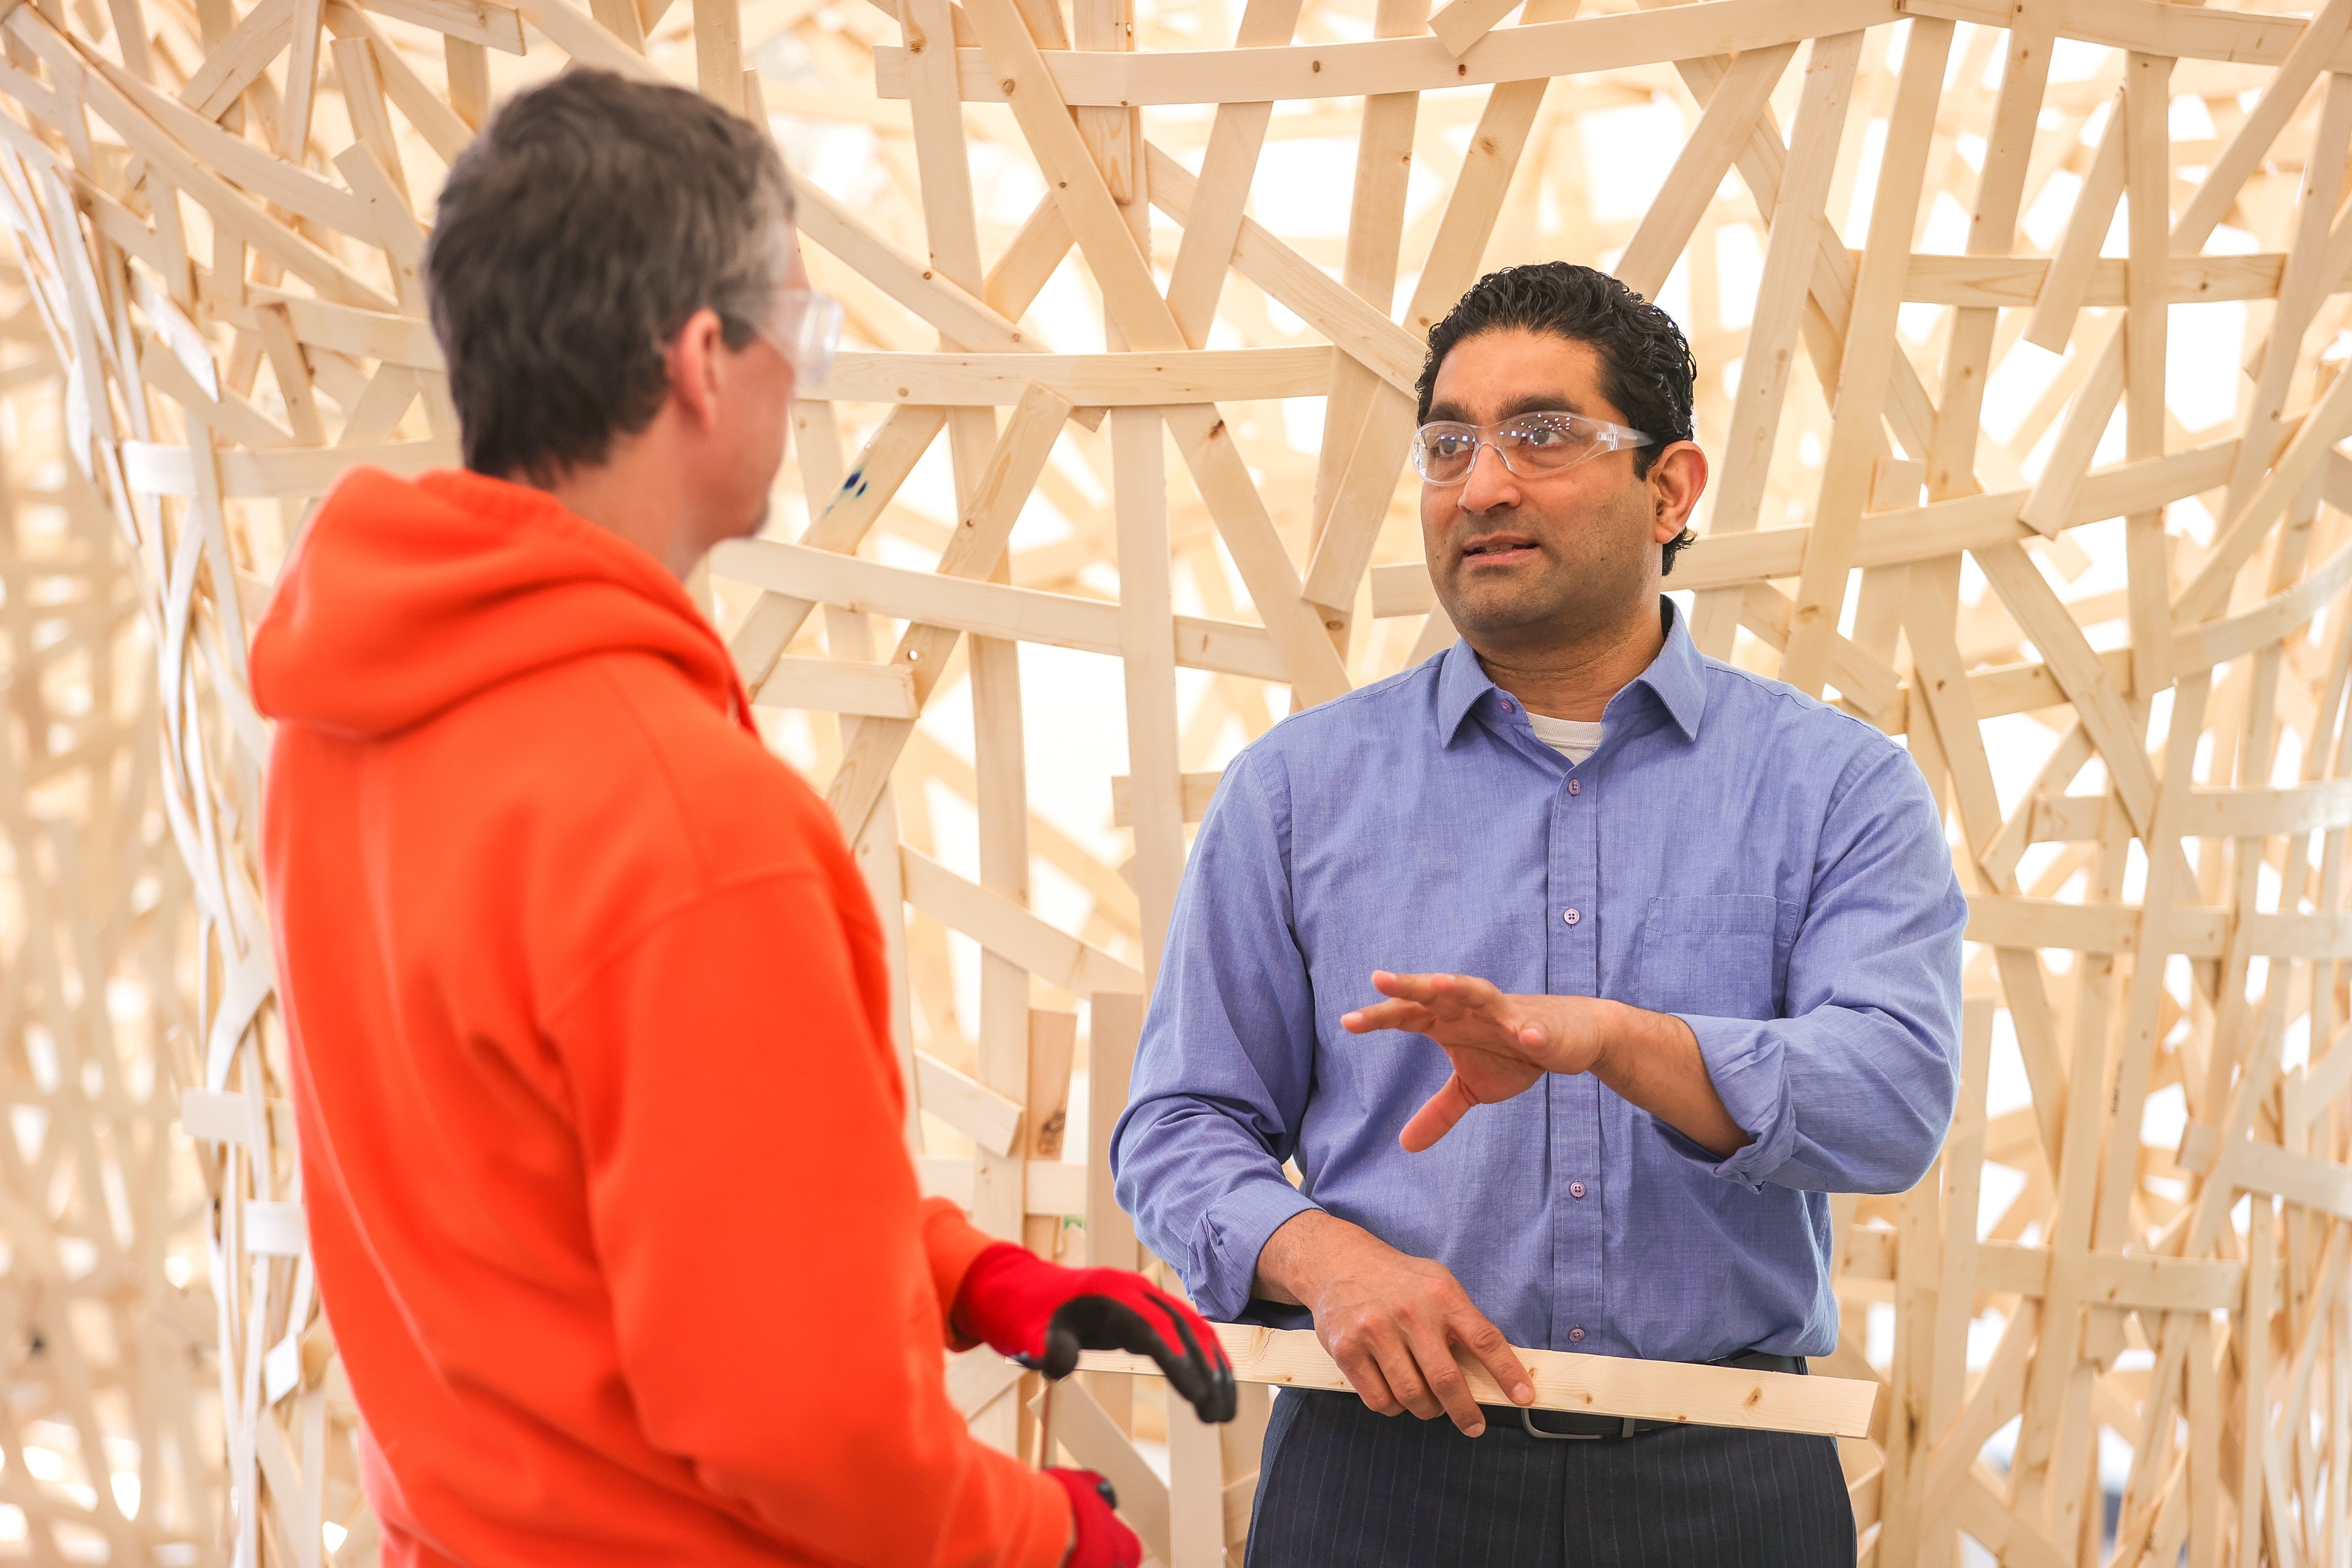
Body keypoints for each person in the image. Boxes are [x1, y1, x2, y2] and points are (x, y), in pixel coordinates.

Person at [250, 70, 1231, 1568]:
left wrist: (959, 1270)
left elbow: (557, 1202)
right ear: (704, 358)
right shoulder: (687, 820)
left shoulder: (349, 727)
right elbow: (800, 1423)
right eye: (800, 327)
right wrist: (1041, 1539)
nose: (803, 377)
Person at [1111, 262, 1966, 1565]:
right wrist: (1324, 1256)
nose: (1483, 484)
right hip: (1381, 1471)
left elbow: (1890, 1099)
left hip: (1728, 1469)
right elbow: (1179, 1123)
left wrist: (1618, 1039)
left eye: (1543, 434)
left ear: (1671, 487)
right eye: (1449, 444)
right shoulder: (1295, 791)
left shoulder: (1836, 784)